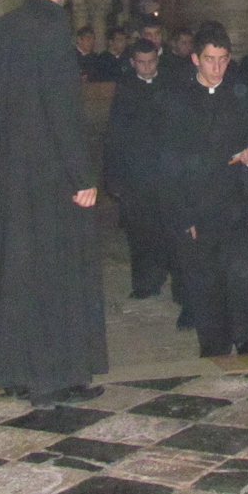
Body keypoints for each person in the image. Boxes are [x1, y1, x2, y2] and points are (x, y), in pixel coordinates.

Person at [0, 0, 106, 408]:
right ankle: (54, 376)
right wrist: (82, 175)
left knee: (15, 269)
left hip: (9, 168)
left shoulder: (2, 29)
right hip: (49, 173)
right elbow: (62, 110)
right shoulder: (54, 30)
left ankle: (12, 369)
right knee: (55, 272)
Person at [158, 21, 248, 357]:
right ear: (195, 59)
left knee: (243, 270)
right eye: (210, 60)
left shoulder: (241, 95)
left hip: (236, 199)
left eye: (223, 60)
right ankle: (214, 343)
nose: (217, 68)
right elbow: (169, 162)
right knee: (205, 277)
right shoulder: (177, 100)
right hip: (196, 202)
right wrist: (184, 215)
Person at [104, 39, 173, 299]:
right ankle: (145, 282)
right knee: (140, 233)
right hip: (136, 174)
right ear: (133, 63)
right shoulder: (126, 89)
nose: (147, 67)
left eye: (151, 61)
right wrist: (114, 178)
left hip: (165, 172)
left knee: (167, 229)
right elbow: (114, 135)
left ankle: (168, 274)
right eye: (141, 63)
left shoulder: (169, 86)